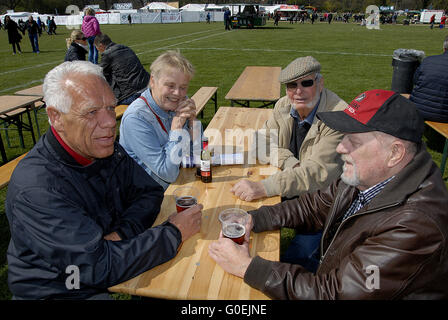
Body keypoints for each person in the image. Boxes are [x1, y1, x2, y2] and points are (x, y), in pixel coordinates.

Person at [209, 89, 448, 299]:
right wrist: (255, 218)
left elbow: (336, 294)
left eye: (354, 141)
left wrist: (248, 268)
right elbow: (314, 205)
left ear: (395, 153)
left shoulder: (416, 225)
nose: (341, 147)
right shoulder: (369, 174)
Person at [5, 60, 203, 300]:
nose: (110, 122)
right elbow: (97, 267)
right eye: (91, 112)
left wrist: (121, 234)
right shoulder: (38, 188)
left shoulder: (102, 149)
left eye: (110, 107)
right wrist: (173, 233)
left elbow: (149, 193)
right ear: (56, 117)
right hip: (60, 290)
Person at [231, 56, 347, 202]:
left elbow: (318, 174)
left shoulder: (337, 116)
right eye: (292, 85)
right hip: (290, 186)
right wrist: (290, 162)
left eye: (306, 83)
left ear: (320, 83)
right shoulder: (283, 105)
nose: (298, 91)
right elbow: (260, 143)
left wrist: (263, 187)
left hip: (323, 201)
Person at [119, 50, 201, 190]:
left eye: (183, 87)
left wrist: (193, 123)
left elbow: (198, 152)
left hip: (181, 180)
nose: (178, 93)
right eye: (170, 86)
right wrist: (176, 130)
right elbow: (168, 173)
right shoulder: (136, 118)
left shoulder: (177, 103)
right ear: (152, 81)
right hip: (150, 196)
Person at [94, 33, 150, 105]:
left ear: (101, 46)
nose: (98, 51)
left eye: (97, 48)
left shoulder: (107, 54)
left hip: (132, 95)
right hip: (147, 86)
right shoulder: (126, 48)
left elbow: (100, 72)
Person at [410, 35, 448, 123]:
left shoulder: (428, 60)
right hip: (443, 115)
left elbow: (415, 80)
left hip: (417, 108)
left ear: (444, 48)